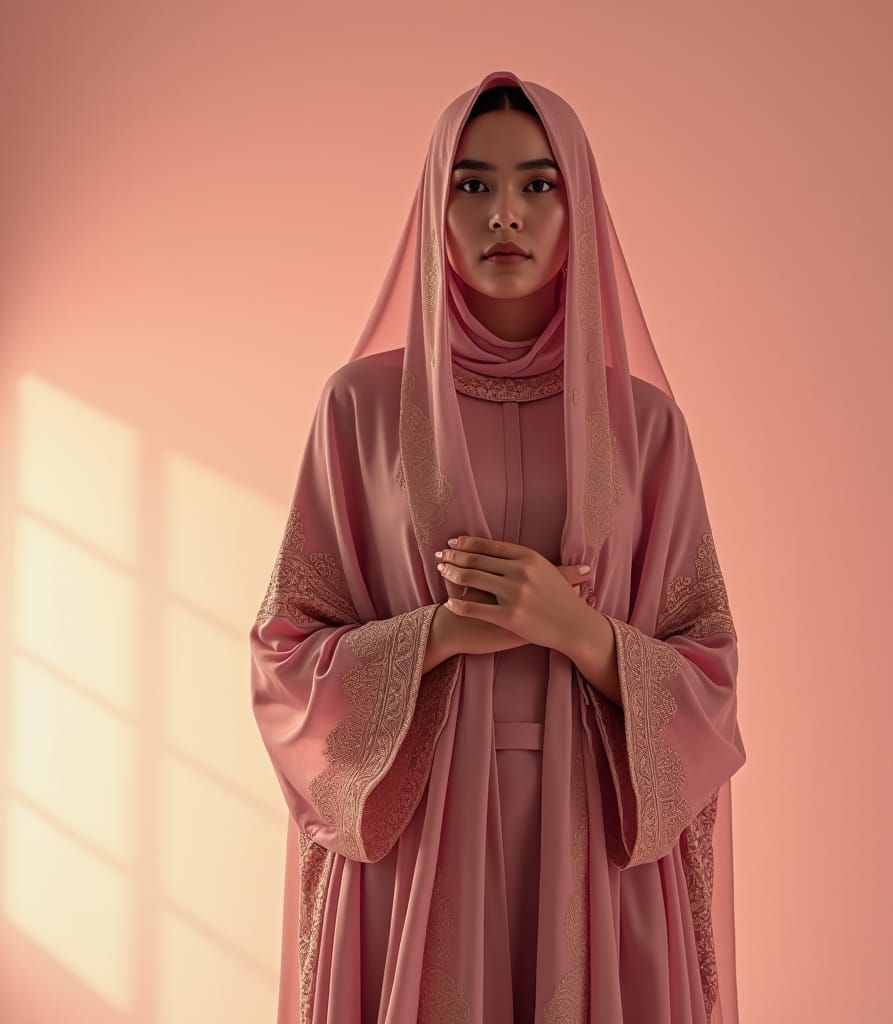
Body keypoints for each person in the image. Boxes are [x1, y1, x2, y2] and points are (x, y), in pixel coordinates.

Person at [250, 69, 747, 1024]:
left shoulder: (643, 428)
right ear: (434, 208)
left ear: (580, 205)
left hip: (595, 842)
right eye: (472, 185)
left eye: (538, 184)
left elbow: (711, 678)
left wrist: (576, 630)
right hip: (420, 843)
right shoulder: (361, 410)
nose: (505, 215)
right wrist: (438, 635)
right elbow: (285, 661)